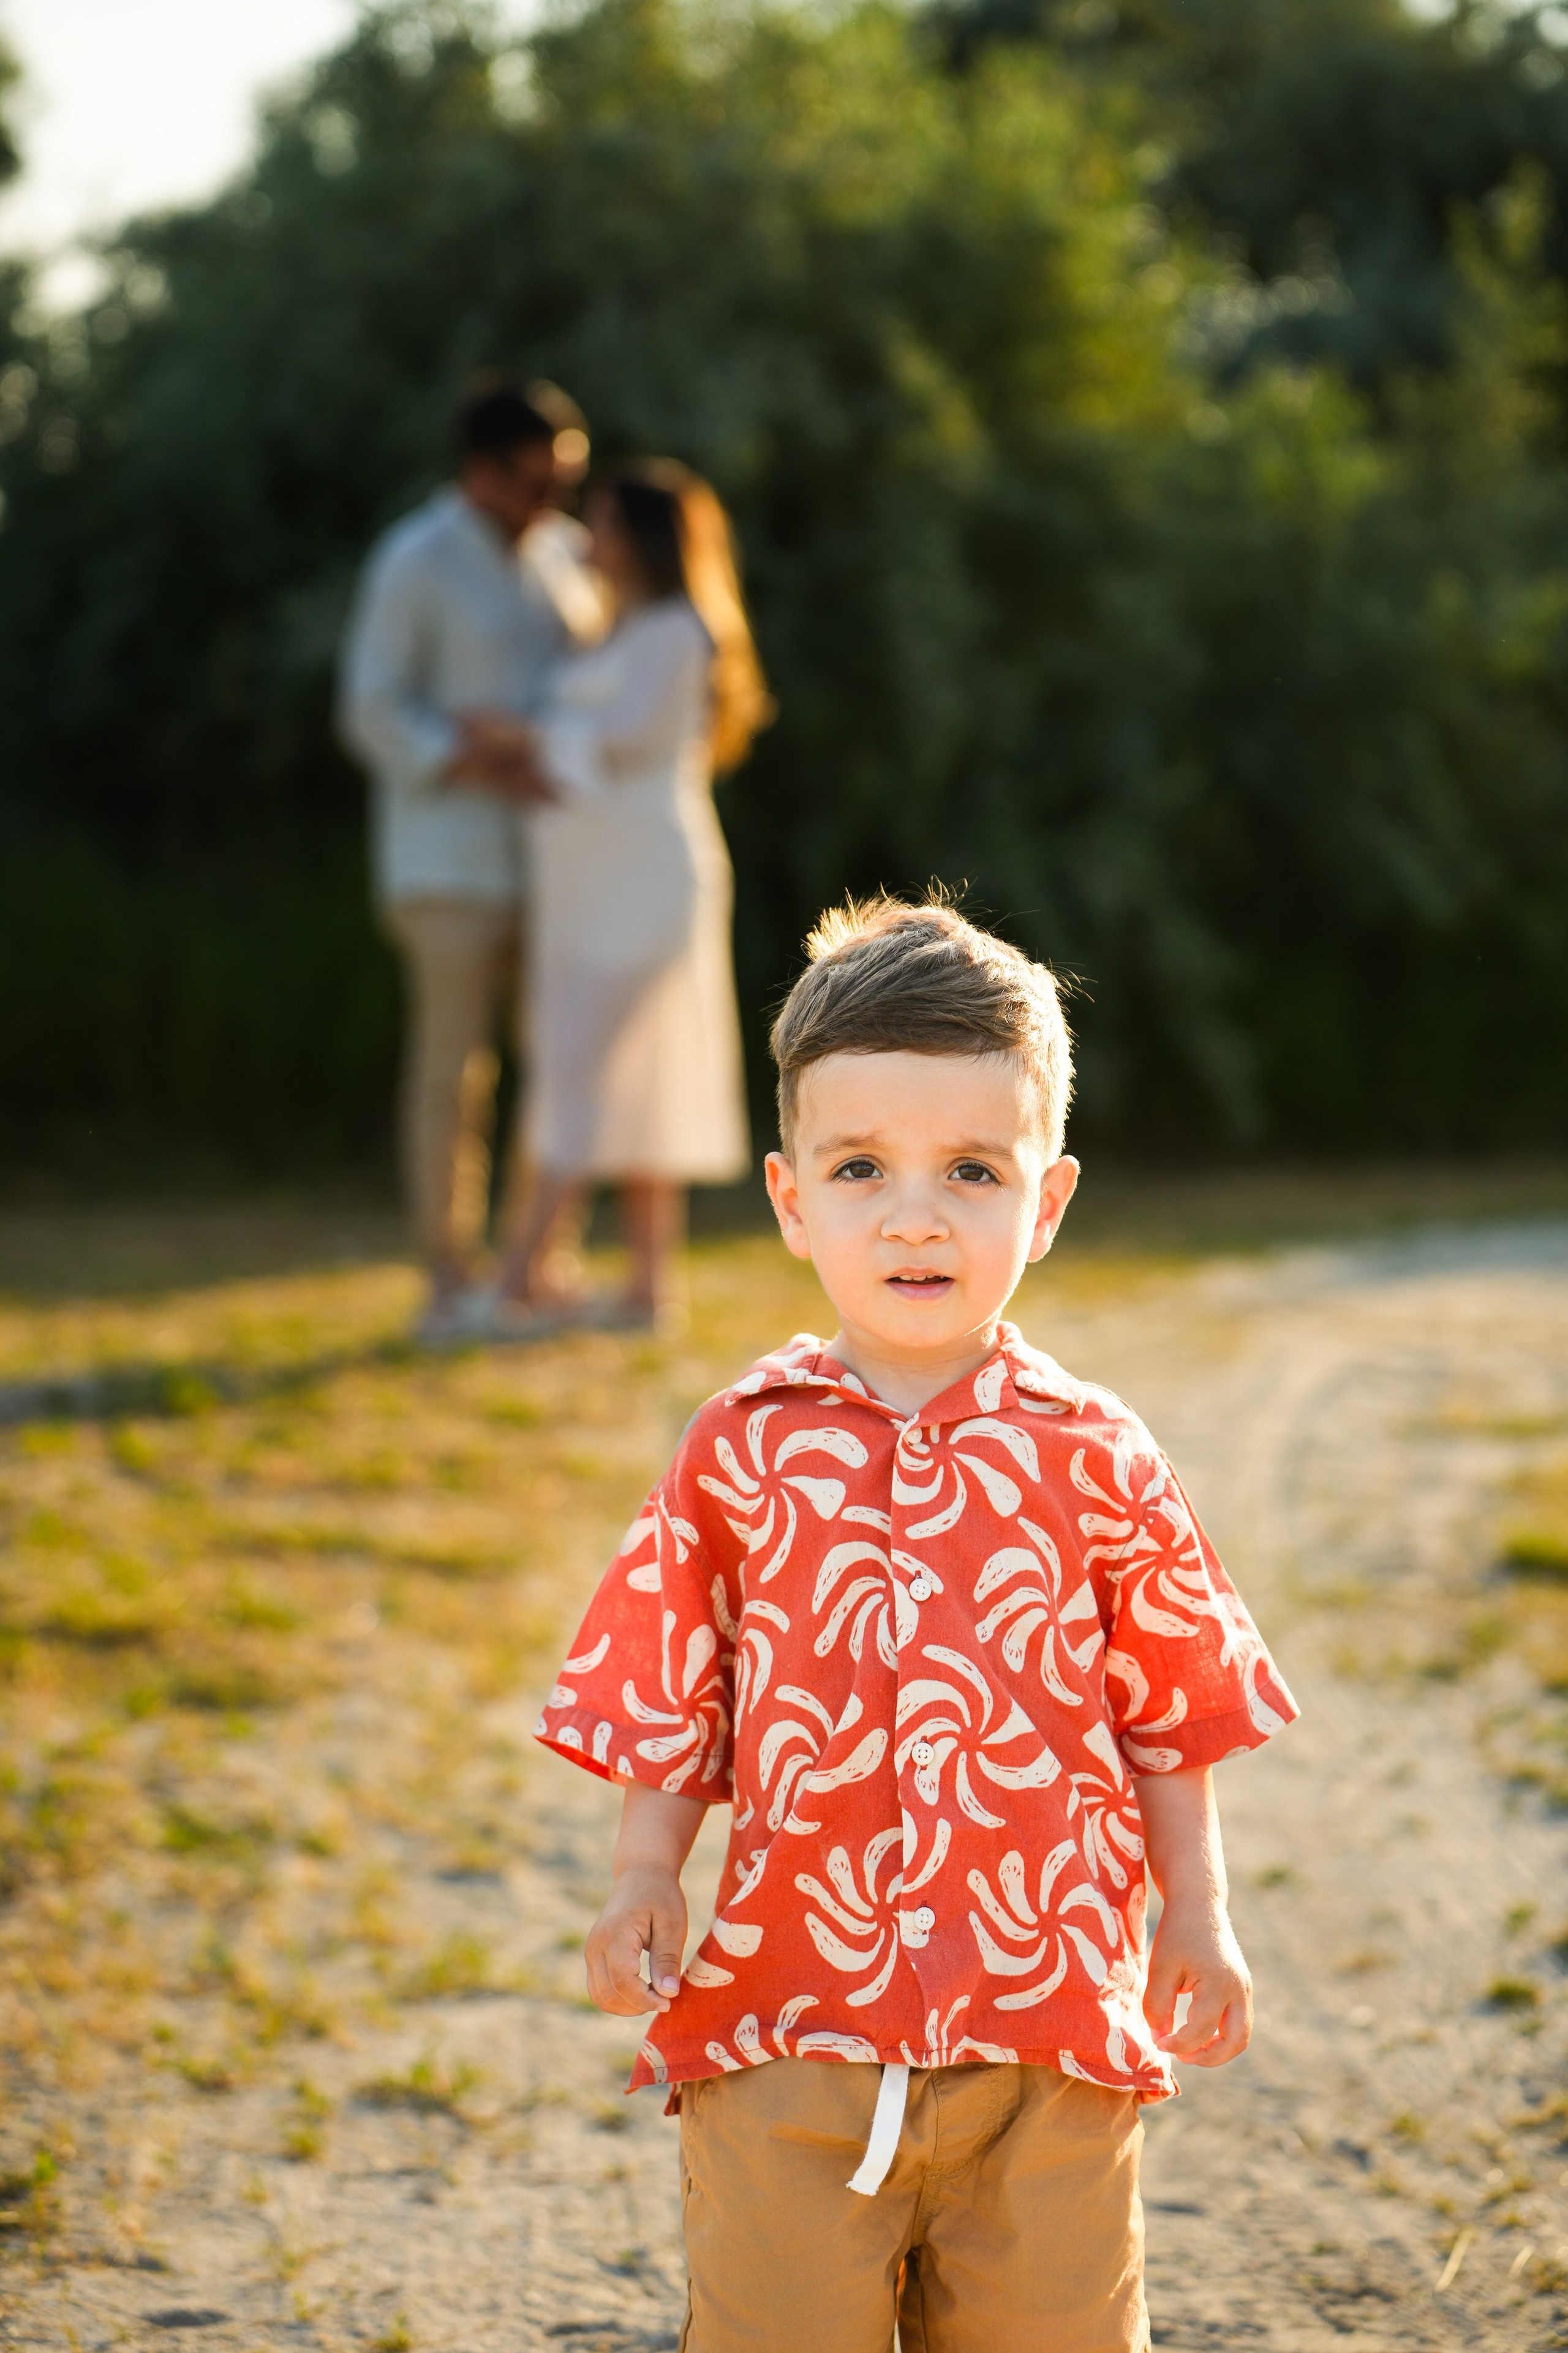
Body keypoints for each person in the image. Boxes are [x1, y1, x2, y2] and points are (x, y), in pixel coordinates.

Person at [535, 896, 1300, 2353]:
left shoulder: (1094, 1452)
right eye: (860, 1167)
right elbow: (670, 1690)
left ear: (1047, 1201)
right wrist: (644, 1869)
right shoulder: (739, 1447)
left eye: (969, 1170)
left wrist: (1194, 1910)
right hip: (786, 2028)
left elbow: (1171, 1706)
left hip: (1048, 2041)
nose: (913, 1214)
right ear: (788, 1197)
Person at [467, 462, 771, 1329]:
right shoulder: (604, 630)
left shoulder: (681, 631)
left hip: (646, 882)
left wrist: (520, 735)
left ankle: (518, 1275)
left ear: (638, 537)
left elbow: (631, 740)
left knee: (594, 1061)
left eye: (600, 522)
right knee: (606, 1063)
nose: (586, 537)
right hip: (582, 883)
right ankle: (645, 1286)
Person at [337, 377, 598, 1345]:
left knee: (560, 1063)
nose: (556, 499)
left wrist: (544, 748)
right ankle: (447, 1273)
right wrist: (472, 750)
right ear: (481, 471)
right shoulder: (415, 557)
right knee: (453, 1073)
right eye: (539, 479)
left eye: (567, 479)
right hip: (444, 860)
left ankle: (536, 1260)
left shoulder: (573, 557)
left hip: (557, 859)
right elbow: (370, 706)